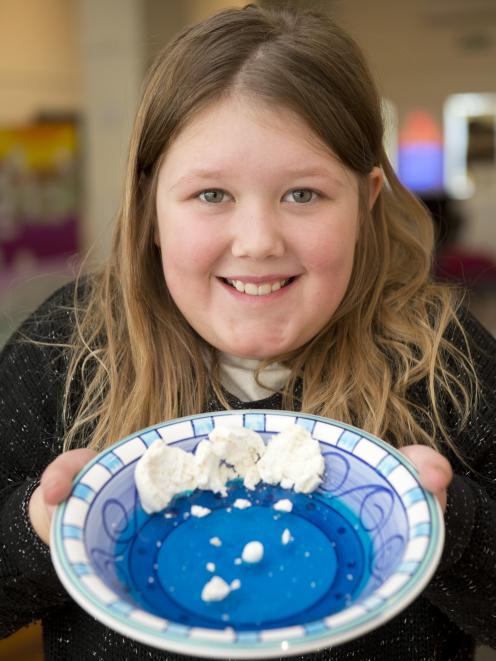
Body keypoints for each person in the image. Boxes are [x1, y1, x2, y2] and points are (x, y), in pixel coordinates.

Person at [1, 4, 495, 660]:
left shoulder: (444, 359)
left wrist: (456, 527)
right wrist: (36, 530)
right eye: (211, 195)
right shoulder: (65, 347)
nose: (258, 242)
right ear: (150, 207)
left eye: (303, 195)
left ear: (366, 201)